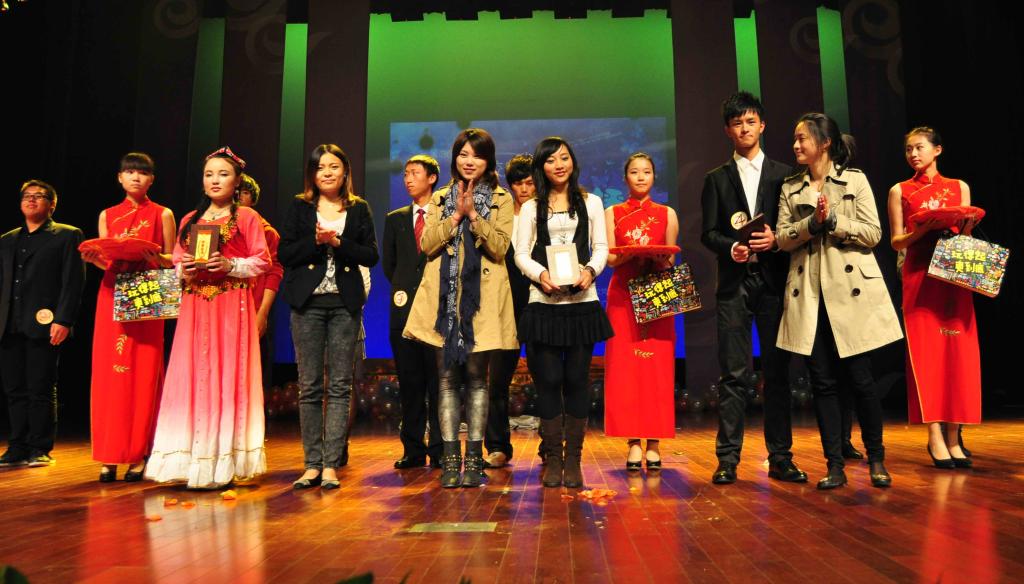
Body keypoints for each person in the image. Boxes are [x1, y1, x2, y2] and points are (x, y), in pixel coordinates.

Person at [776, 113, 903, 489]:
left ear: (825, 142)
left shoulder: (855, 180)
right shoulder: (791, 187)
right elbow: (782, 237)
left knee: (862, 380)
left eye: (802, 138)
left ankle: (876, 459)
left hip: (850, 294)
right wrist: (811, 225)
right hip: (809, 296)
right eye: (795, 138)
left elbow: (873, 233)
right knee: (823, 383)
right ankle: (834, 465)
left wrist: (834, 222)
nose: (796, 145)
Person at [144, 147, 271, 489]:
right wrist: (183, 269)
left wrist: (231, 265)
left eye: (223, 174)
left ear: (237, 181)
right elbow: (176, 260)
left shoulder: (247, 217)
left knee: (227, 373)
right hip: (195, 304)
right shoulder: (190, 219)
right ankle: (188, 461)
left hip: (231, 301)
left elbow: (263, 261)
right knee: (190, 372)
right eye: (209, 174)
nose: (215, 180)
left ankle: (222, 461)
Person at [699, 92, 806, 485]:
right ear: (727, 130)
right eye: (736, 123)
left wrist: (775, 240)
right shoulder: (716, 178)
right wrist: (733, 247)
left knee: (777, 372)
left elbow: (795, 225)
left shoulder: (786, 175)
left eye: (750, 122)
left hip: (775, 282)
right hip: (734, 285)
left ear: (762, 125)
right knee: (734, 374)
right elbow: (708, 233)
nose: (744, 129)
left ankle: (781, 457)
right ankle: (728, 459)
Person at [403, 128, 517, 488]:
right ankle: (451, 461)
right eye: (463, 154)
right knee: (447, 380)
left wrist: (474, 217)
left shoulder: (502, 199)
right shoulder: (440, 198)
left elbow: (500, 247)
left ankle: (474, 460)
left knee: (478, 380)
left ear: (488, 161)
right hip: (445, 300)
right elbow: (427, 244)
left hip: (482, 301)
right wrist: (454, 217)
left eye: (477, 155)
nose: (469, 161)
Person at [279, 144, 378, 490]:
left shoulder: (359, 208)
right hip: (307, 304)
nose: (327, 172)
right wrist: (316, 241)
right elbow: (285, 253)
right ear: (312, 173)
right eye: (320, 167)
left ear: (345, 171)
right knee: (309, 386)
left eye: (334, 166)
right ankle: (311, 464)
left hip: (344, 304)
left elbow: (371, 255)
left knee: (339, 386)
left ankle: (331, 465)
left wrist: (338, 243)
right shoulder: (300, 206)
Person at [515, 137, 612, 489]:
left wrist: (590, 271)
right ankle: (553, 458)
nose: (559, 165)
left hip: (582, 304)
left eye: (564, 158)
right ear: (541, 167)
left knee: (576, 380)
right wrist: (540, 275)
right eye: (551, 160)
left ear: (573, 162)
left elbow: (601, 247)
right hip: (543, 305)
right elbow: (520, 253)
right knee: (548, 381)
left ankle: (574, 461)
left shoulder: (592, 202)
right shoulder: (531, 208)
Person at [887, 126, 980, 468]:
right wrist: (921, 230)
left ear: (937, 150)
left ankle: (955, 437)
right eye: (908, 149)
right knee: (927, 358)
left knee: (958, 355)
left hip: (953, 275)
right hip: (919, 276)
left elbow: (965, 236)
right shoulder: (900, 190)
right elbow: (896, 241)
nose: (913, 154)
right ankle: (935, 435)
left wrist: (966, 227)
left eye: (920, 147)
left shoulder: (959, 187)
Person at [81, 153, 176, 482]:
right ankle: (109, 455)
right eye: (130, 172)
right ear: (119, 177)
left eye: (143, 173)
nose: (136, 177)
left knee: (143, 373)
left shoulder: (163, 213)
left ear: (152, 180)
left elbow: (173, 260)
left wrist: (157, 257)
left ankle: (140, 453)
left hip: (148, 290)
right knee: (110, 374)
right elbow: (109, 262)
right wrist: (94, 260)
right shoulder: (107, 215)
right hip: (112, 292)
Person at [0, 180, 85, 469]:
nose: (32, 200)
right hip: (9, 324)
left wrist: (64, 319)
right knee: (14, 389)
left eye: (39, 196)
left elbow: (72, 282)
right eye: (27, 196)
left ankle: (39, 447)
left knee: (40, 387)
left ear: (52, 204)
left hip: (45, 324)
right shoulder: (8, 239)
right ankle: (17, 445)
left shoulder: (67, 235)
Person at [604, 153, 678, 470]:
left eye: (646, 172)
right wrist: (629, 254)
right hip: (622, 294)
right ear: (626, 178)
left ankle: (655, 442)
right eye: (634, 172)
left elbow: (670, 259)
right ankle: (633, 442)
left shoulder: (667, 213)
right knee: (626, 370)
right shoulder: (612, 212)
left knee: (657, 369)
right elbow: (610, 258)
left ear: (654, 176)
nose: (641, 177)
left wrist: (657, 257)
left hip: (657, 292)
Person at [383, 154, 443, 470]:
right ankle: (413, 449)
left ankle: (440, 448)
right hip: (404, 310)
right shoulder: (395, 219)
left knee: (439, 383)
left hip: (437, 311)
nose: (408, 179)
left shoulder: (446, 216)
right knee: (410, 383)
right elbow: (390, 266)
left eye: (415, 173)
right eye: (405, 173)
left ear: (432, 178)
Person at [484, 153, 535, 469]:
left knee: (547, 377)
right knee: (498, 380)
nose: (524, 189)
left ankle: (551, 448)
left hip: (541, 300)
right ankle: (498, 446)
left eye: (529, 182)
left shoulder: (545, 214)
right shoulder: (501, 214)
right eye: (518, 183)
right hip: (504, 304)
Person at [237, 173, 284, 394]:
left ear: (253, 198)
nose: (239, 196)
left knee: (251, 370)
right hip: (221, 306)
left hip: (252, 306)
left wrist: (262, 312)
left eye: (245, 193)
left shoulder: (267, 232)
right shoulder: (211, 224)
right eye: (236, 191)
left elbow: (274, 271)